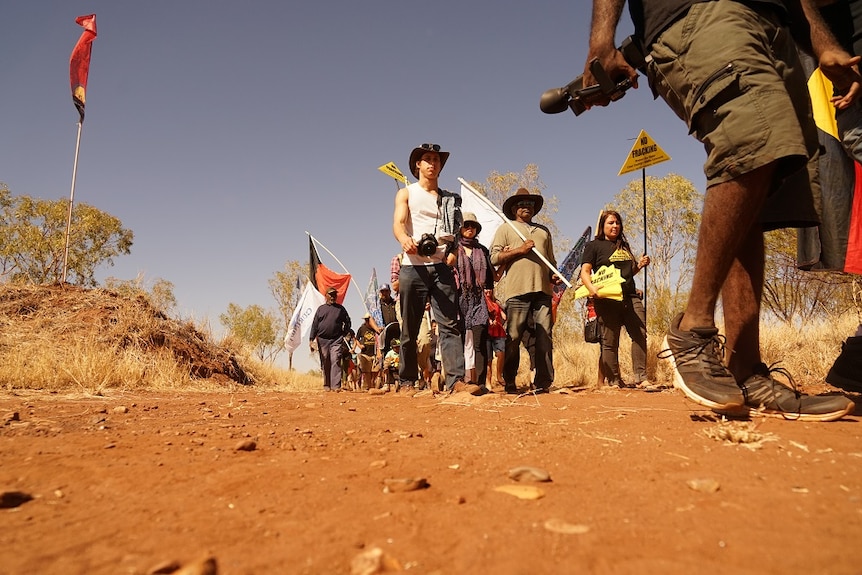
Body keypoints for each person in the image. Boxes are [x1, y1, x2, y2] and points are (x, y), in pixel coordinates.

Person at [583, 0, 858, 420]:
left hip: (775, 25)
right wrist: (601, 42)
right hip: (696, 13)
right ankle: (692, 327)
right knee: (750, 136)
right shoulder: (600, 245)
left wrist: (822, 43)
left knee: (765, 184)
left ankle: (745, 368)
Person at [393, 143, 478, 396]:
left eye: (436, 160)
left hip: (441, 268)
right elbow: (398, 224)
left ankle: (456, 382)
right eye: (427, 159)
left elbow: (456, 235)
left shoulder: (450, 199)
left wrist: (452, 254)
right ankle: (407, 382)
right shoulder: (406, 193)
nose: (432, 163)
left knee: (449, 326)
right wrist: (404, 239)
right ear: (418, 165)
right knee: (410, 328)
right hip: (412, 268)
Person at [490, 188, 561, 394]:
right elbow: (494, 258)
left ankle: (544, 381)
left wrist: (553, 276)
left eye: (530, 205)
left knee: (544, 336)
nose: (526, 208)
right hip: (516, 292)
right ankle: (510, 380)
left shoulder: (543, 231)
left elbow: (551, 263)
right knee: (513, 337)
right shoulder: (506, 229)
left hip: (543, 292)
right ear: (514, 208)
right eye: (522, 204)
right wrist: (519, 250)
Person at [580, 210, 650, 388]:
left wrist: (639, 265)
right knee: (610, 342)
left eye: (617, 223)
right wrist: (591, 288)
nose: (615, 226)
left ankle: (641, 377)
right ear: (602, 226)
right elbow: (585, 271)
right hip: (607, 299)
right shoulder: (593, 246)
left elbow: (628, 272)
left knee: (640, 335)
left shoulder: (623, 246)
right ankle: (613, 380)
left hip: (630, 296)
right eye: (610, 223)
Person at [447, 212, 496, 389]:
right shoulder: (452, 248)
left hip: (478, 299)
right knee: (458, 340)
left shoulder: (482, 250)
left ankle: (481, 383)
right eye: (466, 225)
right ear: (460, 228)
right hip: (458, 298)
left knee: (480, 340)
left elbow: (490, 275)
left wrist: (490, 294)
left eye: (473, 226)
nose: (470, 228)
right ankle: (458, 382)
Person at [309, 287, 351, 392]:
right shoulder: (321, 309)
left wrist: (345, 333)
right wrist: (311, 339)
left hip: (336, 339)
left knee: (335, 360)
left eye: (334, 295)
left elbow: (348, 321)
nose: (333, 297)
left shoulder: (341, 309)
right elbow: (315, 324)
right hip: (322, 340)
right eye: (331, 294)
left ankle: (336, 386)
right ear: (326, 296)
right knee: (326, 361)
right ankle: (327, 385)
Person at [485, 289, 507, 391]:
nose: (487, 290)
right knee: (488, 359)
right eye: (485, 288)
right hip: (488, 332)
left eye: (489, 288)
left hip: (499, 331)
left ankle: (499, 375)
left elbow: (504, 316)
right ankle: (488, 381)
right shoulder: (483, 302)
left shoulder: (496, 302)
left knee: (501, 353)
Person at [356, 314, 379, 392]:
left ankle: (373, 384)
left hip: (374, 353)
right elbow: (356, 339)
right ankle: (369, 386)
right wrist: (359, 346)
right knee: (367, 371)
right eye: (366, 320)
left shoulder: (375, 328)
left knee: (375, 371)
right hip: (365, 354)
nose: (367, 321)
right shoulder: (362, 328)